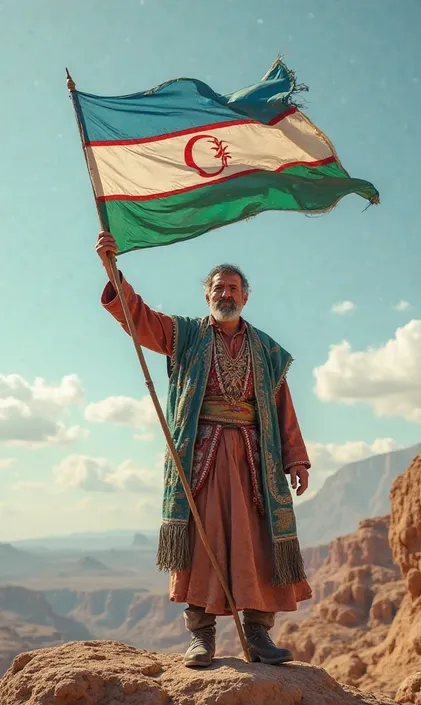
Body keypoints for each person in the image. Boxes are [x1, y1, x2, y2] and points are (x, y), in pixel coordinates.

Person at [96, 231, 312, 668]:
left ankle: (258, 636)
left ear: (246, 297)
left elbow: (281, 407)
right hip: (202, 460)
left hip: (256, 463)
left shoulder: (268, 350)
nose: (225, 294)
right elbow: (139, 317)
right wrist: (112, 271)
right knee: (201, 539)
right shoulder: (185, 335)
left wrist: (296, 457)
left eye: (233, 288)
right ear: (206, 294)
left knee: (256, 544)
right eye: (218, 288)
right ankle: (202, 638)